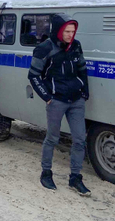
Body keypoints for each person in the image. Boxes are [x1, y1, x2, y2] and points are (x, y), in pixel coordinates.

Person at [28, 13, 91, 196]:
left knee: (80, 139)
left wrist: (85, 91)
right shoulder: (44, 48)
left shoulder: (76, 46)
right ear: (59, 31)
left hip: (76, 100)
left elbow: (82, 69)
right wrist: (47, 97)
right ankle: (46, 173)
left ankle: (75, 178)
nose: (71, 35)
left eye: (73, 31)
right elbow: (33, 75)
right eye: (67, 31)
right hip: (56, 100)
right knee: (52, 138)